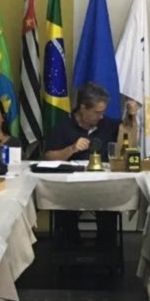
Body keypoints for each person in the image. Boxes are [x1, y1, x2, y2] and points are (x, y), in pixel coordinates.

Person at [43, 81, 121, 248]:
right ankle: (69, 251)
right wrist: (71, 149)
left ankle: (106, 251)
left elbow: (128, 133)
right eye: (97, 112)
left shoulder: (107, 124)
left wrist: (131, 115)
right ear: (83, 108)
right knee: (64, 210)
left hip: (103, 188)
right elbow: (49, 157)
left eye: (103, 112)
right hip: (70, 189)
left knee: (110, 207)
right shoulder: (63, 125)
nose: (101, 116)